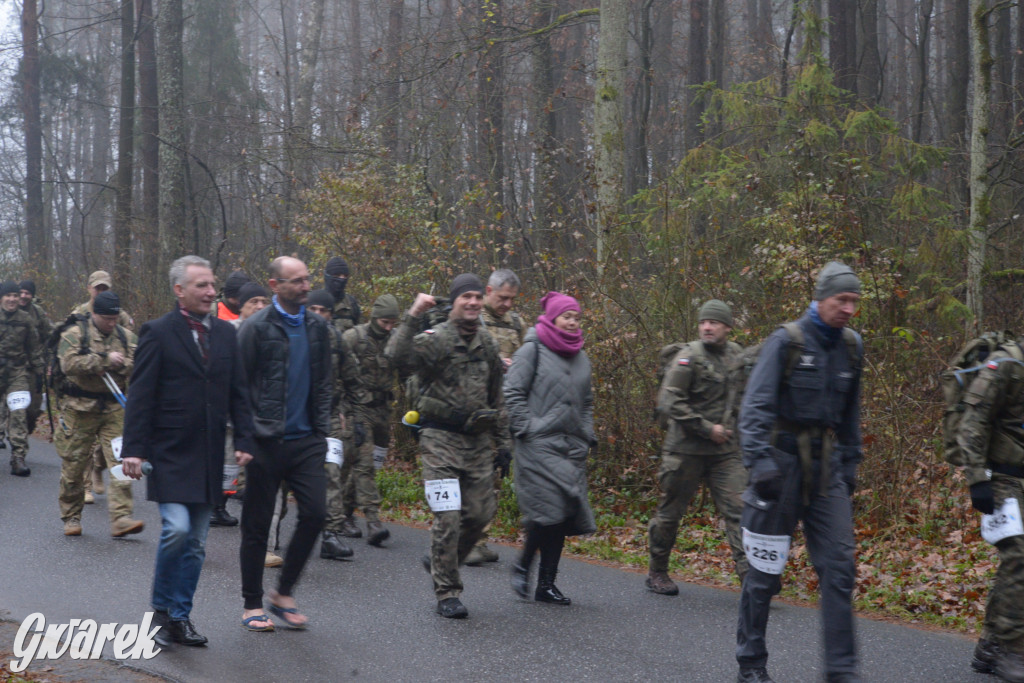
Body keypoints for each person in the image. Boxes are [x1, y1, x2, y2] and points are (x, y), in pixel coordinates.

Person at [735, 262, 864, 683]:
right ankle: (751, 662)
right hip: (780, 467)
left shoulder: (851, 347)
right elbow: (754, 407)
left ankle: (840, 670)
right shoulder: (786, 341)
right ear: (820, 298)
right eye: (841, 300)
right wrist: (760, 462)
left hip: (826, 472)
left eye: (854, 302)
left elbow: (849, 418)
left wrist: (849, 466)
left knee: (840, 567)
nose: (848, 309)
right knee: (764, 571)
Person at [121, 255, 255, 647]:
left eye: (212, 284)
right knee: (177, 529)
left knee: (196, 543)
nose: (211, 292)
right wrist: (134, 450)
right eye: (201, 285)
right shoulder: (157, 332)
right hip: (169, 451)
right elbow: (141, 394)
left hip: (210, 453)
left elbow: (239, 393)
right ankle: (160, 611)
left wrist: (245, 438)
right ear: (180, 290)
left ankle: (180, 617)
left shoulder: (227, 335)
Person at [386, 274, 509, 619]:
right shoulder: (435, 340)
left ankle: (443, 560)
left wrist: (504, 443)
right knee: (449, 516)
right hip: (439, 439)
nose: (471, 302)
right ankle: (447, 591)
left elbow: (497, 395)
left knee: (480, 515)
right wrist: (413, 313)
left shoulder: (487, 342)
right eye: (464, 297)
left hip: (478, 442)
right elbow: (395, 357)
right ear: (453, 302)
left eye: (475, 296)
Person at [238, 257, 332, 632]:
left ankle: (284, 593)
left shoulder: (317, 327)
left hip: (307, 439)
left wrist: (321, 432)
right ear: (275, 285)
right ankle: (251, 603)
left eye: (307, 279)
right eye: (297, 281)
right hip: (265, 440)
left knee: (316, 513)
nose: (306, 286)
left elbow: (324, 382)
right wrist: (245, 437)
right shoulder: (255, 328)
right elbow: (239, 386)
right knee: (258, 524)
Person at [647, 299, 748, 595]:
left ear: (728, 327)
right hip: (685, 450)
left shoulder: (737, 356)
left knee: (741, 512)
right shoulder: (688, 357)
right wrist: (707, 428)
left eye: (714, 322)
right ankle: (657, 572)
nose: (707, 326)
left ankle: (751, 578)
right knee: (670, 512)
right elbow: (669, 401)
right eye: (703, 322)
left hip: (725, 453)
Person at [504, 291, 595, 606]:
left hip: (571, 447)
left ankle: (546, 584)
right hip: (537, 444)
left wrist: (587, 435)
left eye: (576, 317)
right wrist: (525, 428)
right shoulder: (532, 349)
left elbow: (586, 402)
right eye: (566, 316)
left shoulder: (581, 355)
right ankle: (523, 565)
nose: (572, 322)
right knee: (549, 512)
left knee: (564, 513)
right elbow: (512, 390)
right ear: (553, 317)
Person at [958, 337, 1024, 681]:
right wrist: (976, 479)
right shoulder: (1008, 365)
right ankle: (1014, 651)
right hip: (999, 479)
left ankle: (990, 645)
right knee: (1018, 558)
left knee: (1017, 562)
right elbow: (973, 421)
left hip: (1021, 480)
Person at [57, 291, 143, 537]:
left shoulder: (126, 338)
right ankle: (71, 515)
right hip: (79, 408)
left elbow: (139, 364)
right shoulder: (75, 334)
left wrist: (121, 363)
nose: (111, 323)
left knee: (121, 462)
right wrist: (104, 360)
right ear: (94, 314)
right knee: (74, 465)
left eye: (115, 318)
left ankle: (121, 517)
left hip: (114, 409)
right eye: (106, 318)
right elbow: (68, 364)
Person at [466, 269, 525, 566]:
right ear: (489, 290)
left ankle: (481, 538)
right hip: (475, 408)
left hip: (505, 411)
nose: (507, 304)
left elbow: (528, 359)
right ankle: (467, 539)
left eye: (512, 299)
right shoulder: (472, 319)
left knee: (496, 476)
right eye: (502, 298)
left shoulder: (516, 324)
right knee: (475, 477)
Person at [337, 293, 400, 546]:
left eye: (392, 323)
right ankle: (373, 522)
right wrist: (342, 408)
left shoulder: (396, 341)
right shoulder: (354, 337)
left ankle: (342, 512)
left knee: (371, 464)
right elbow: (336, 371)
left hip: (383, 410)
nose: (388, 327)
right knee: (363, 463)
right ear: (374, 317)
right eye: (384, 322)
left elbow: (408, 368)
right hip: (358, 409)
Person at [72, 270, 134, 499]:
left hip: (114, 388)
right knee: (85, 442)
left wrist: (119, 363)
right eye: (97, 288)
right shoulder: (78, 314)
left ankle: (99, 469)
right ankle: (86, 485)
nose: (101, 292)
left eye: (105, 288)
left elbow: (130, 346)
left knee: (110, 444)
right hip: (85, 388)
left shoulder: (121, 316)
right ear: (89, 288)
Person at [306, 288, 356, 561]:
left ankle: (330, 535)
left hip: (330, 416)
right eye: (312, 309)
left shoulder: (338, 340)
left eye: (323, 310)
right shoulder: (292, 335)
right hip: (296, 417)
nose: (318, 315)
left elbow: (353, 379)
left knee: (332, 473)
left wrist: (353, 416)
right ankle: (269, 533)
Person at [0, 281, 43, 476]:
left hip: (17, 372)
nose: (12, 299)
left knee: (18, 413)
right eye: (8, 295)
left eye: (15, 296)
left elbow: (34, 348)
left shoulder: (26, 319)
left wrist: (40, 373)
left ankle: (18, 457)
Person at [18, 279, 52, 435]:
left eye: (28, 293)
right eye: (21, 292)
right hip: (12, 366)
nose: (24, 296)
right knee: (13, 405)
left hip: (34, 367)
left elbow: (50, 335)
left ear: (32, 295)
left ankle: (25, 433)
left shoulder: (37, 312)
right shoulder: (8, 308)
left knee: (33, 409)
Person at [325, 256, 361, 333]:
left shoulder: (352, 305)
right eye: (337, 275)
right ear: (327, 276)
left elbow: (360, 336)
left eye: (345, 276)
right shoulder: (315, 303)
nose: (341, 279)